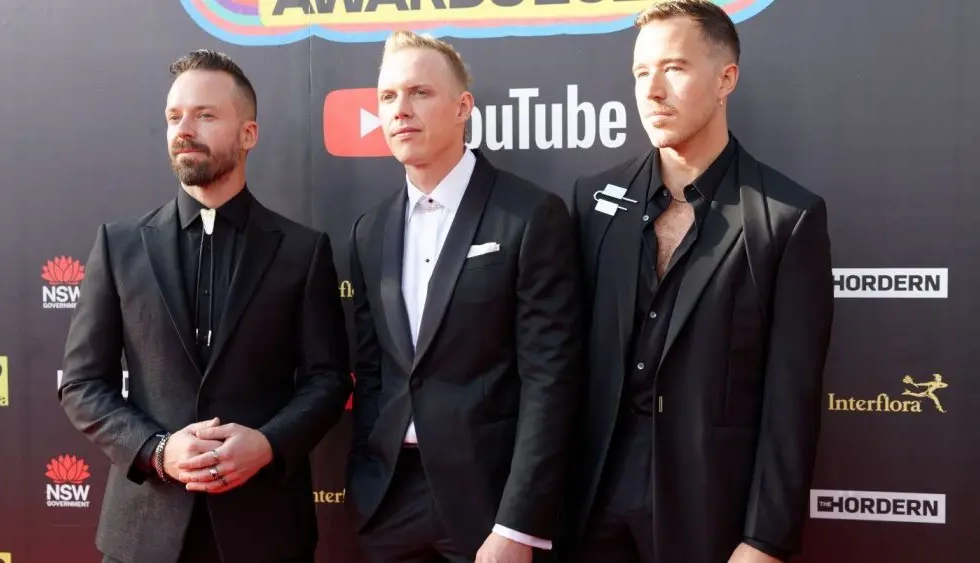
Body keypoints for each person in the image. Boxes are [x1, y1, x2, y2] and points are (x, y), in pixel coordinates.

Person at [564, 2, 834, 562]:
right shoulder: (592, 202)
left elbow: (793, 398)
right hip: (589, 505)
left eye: (675, 68)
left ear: (725, 79)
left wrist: (765, 539)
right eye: (641, 73)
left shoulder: (786, 217)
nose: (652, 90)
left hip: (710, 514)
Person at [58, 49, 352, 563]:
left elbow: (328, 380)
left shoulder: (303, 252)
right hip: (143, 534)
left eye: (205, 115)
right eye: (175, 116)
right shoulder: (119, 245)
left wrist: (267, 444)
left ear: (248, 134)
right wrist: (157, 450)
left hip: (266, 533)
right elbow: (82, 384)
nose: (184, 129)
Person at [345, 30, 583, 563]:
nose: (401, 110)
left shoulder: (529, 214)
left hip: (488, 505)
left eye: (420, 93)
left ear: (462, 108)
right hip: (388, 502)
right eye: (388, 97)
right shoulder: (369, 230)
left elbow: (550, 378)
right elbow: (374, 369)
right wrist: (364, 482)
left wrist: (518, 525)